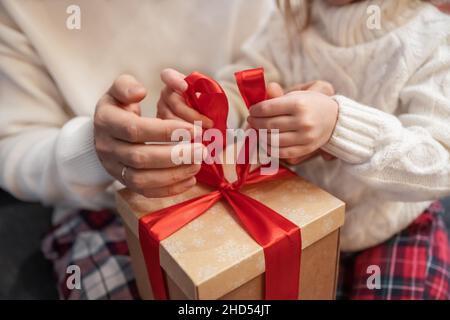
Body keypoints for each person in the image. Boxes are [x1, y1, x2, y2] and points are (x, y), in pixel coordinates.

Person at [159, 0, 450, 299]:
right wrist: (208, 109)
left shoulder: (433, 35)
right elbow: (242, 84)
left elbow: (439, 161)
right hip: (299, 216)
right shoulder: (294, 16)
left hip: (390, 228)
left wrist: (338, 125)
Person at [0, 0, 274, 299]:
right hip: (102, 209)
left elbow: (272, 61)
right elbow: (13, 145)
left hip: (242, 172)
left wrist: (225, 113)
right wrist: (93, 151)